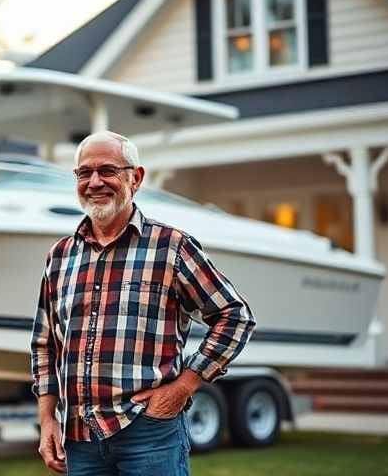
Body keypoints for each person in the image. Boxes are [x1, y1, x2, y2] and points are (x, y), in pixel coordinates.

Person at [31, 131, 256, 475]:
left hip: (149, 433)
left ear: (135, 178)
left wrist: (184, 386)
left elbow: (234, 316)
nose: (94, 182)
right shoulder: (60, 256)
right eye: (84, 173)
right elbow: (45, 345)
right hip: (79, 439)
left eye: (107, 170)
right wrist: (47, 418)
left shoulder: (172, 247)